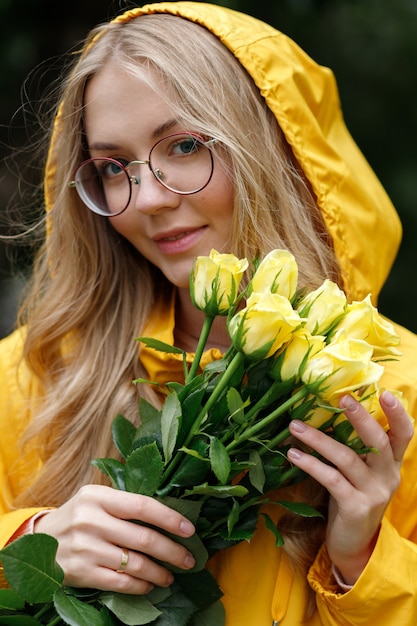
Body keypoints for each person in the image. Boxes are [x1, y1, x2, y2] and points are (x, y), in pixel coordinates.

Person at [1, 2, 417, 624]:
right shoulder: (34, 377)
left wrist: (362, 566)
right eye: (114, 167)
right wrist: (28, 550)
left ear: (274, 150)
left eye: (186, 146)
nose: (146, 199)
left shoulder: (393, 392)